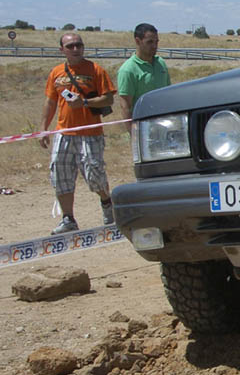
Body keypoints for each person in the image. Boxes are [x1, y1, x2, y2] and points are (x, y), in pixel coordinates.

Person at [40, 33, 116, 233]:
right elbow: (50, 102)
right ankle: (68, 218)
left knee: (94, 174)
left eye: (79, 45)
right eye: (70, 46)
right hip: (64, 132)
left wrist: (84, 102)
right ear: (62, 50)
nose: (75, 49)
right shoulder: (56, 72)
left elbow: (108, 99)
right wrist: (43, 128)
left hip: (90, 132)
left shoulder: (95, 70)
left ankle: (107, 203)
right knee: (60, 174)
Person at [117, 23, 170, 133]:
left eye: (156, 42)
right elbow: (125, 107)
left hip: (164, 126)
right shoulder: (128, 70)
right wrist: (134, 135)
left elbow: (169, 94)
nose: (154, 46)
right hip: (143, 129)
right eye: (150, 42)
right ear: (138, 41)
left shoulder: (161, 63)